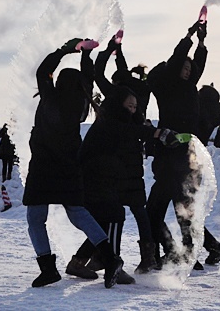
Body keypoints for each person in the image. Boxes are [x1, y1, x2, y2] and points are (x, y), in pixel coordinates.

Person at [22, 38, 124, 288]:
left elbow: (42, 70)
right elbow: (87, 78)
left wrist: (66, 49)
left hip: (44, 166)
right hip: (68, 166)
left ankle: (47, 268)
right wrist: (86, 56)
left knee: (36, 218)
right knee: (78, 213)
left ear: (59, 82)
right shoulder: (80, 103)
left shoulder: (50, 97)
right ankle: (110, 259)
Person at [69, 87, 171, 283]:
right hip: (92, 178)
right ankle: (111, 264)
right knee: (114, 216)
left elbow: (132, 134)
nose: (133, 110)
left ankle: (80, 262)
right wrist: (158, 132)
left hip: (103, 178)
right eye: (129, 106)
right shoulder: (110, 122)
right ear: (119, 105)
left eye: (135, 106)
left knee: (104, 222)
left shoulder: (122, 120)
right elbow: (127, 132)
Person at [145, 20, 220, 269]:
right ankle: (194, 252)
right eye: (186, 67)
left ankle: (182, 253)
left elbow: (197, 62)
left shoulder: (189, 87)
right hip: (173, 156)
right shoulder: (169, 88)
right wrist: (189, 36)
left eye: (191, 68)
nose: (190, 70)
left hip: (182, 158)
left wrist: (201, 41)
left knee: (165, 210)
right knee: (182, 209)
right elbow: (177, 58)